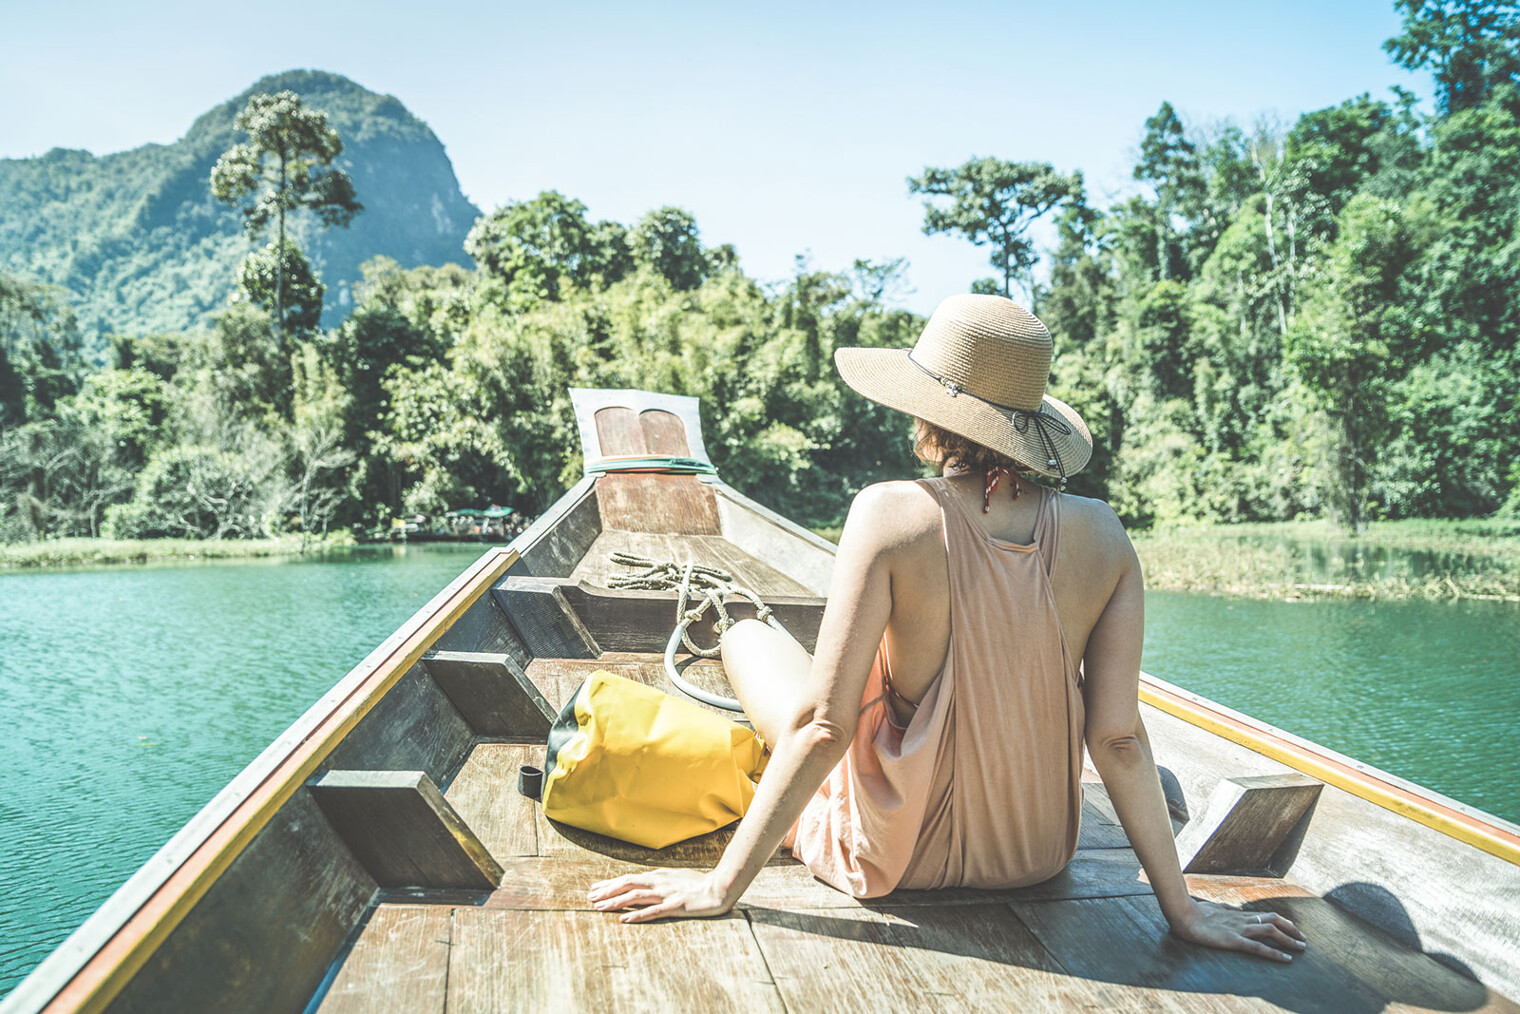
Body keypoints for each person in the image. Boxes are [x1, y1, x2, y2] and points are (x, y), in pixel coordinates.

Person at [587, 294, 1307, 963]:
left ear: (929, 415)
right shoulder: (1105, 536)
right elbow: (1118, 738)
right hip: (1036, 855)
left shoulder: (890, 513)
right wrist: (1181, 909)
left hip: (893, 857)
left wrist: (719, 888)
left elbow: (823, 728)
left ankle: (734, 621)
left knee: (752, 642)